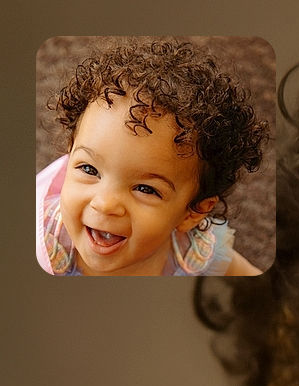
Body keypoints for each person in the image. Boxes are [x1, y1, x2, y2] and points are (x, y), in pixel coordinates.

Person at [36, 38, 268, 276]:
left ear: (193, 213)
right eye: (88, 169)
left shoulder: (192, 250)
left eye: (145, 189)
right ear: (70, 151)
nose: (105, 204)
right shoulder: (41, 246)